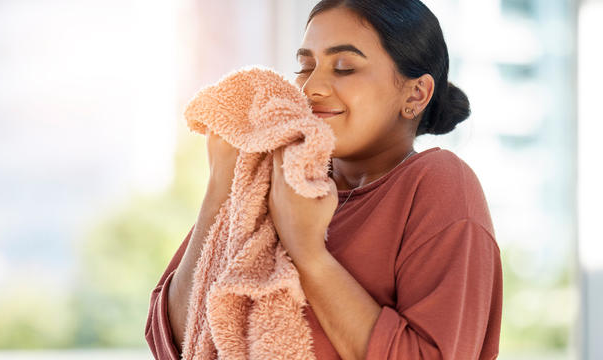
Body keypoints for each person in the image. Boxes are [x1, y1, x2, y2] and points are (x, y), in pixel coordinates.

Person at [145, 1, 502, 359]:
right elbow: (175, 342)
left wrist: (309, 254)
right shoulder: (275, 176)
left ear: (415, 94)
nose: (312, 87)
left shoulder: (438, 183)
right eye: (305, 67)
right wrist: (220, 188)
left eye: (344, 67)